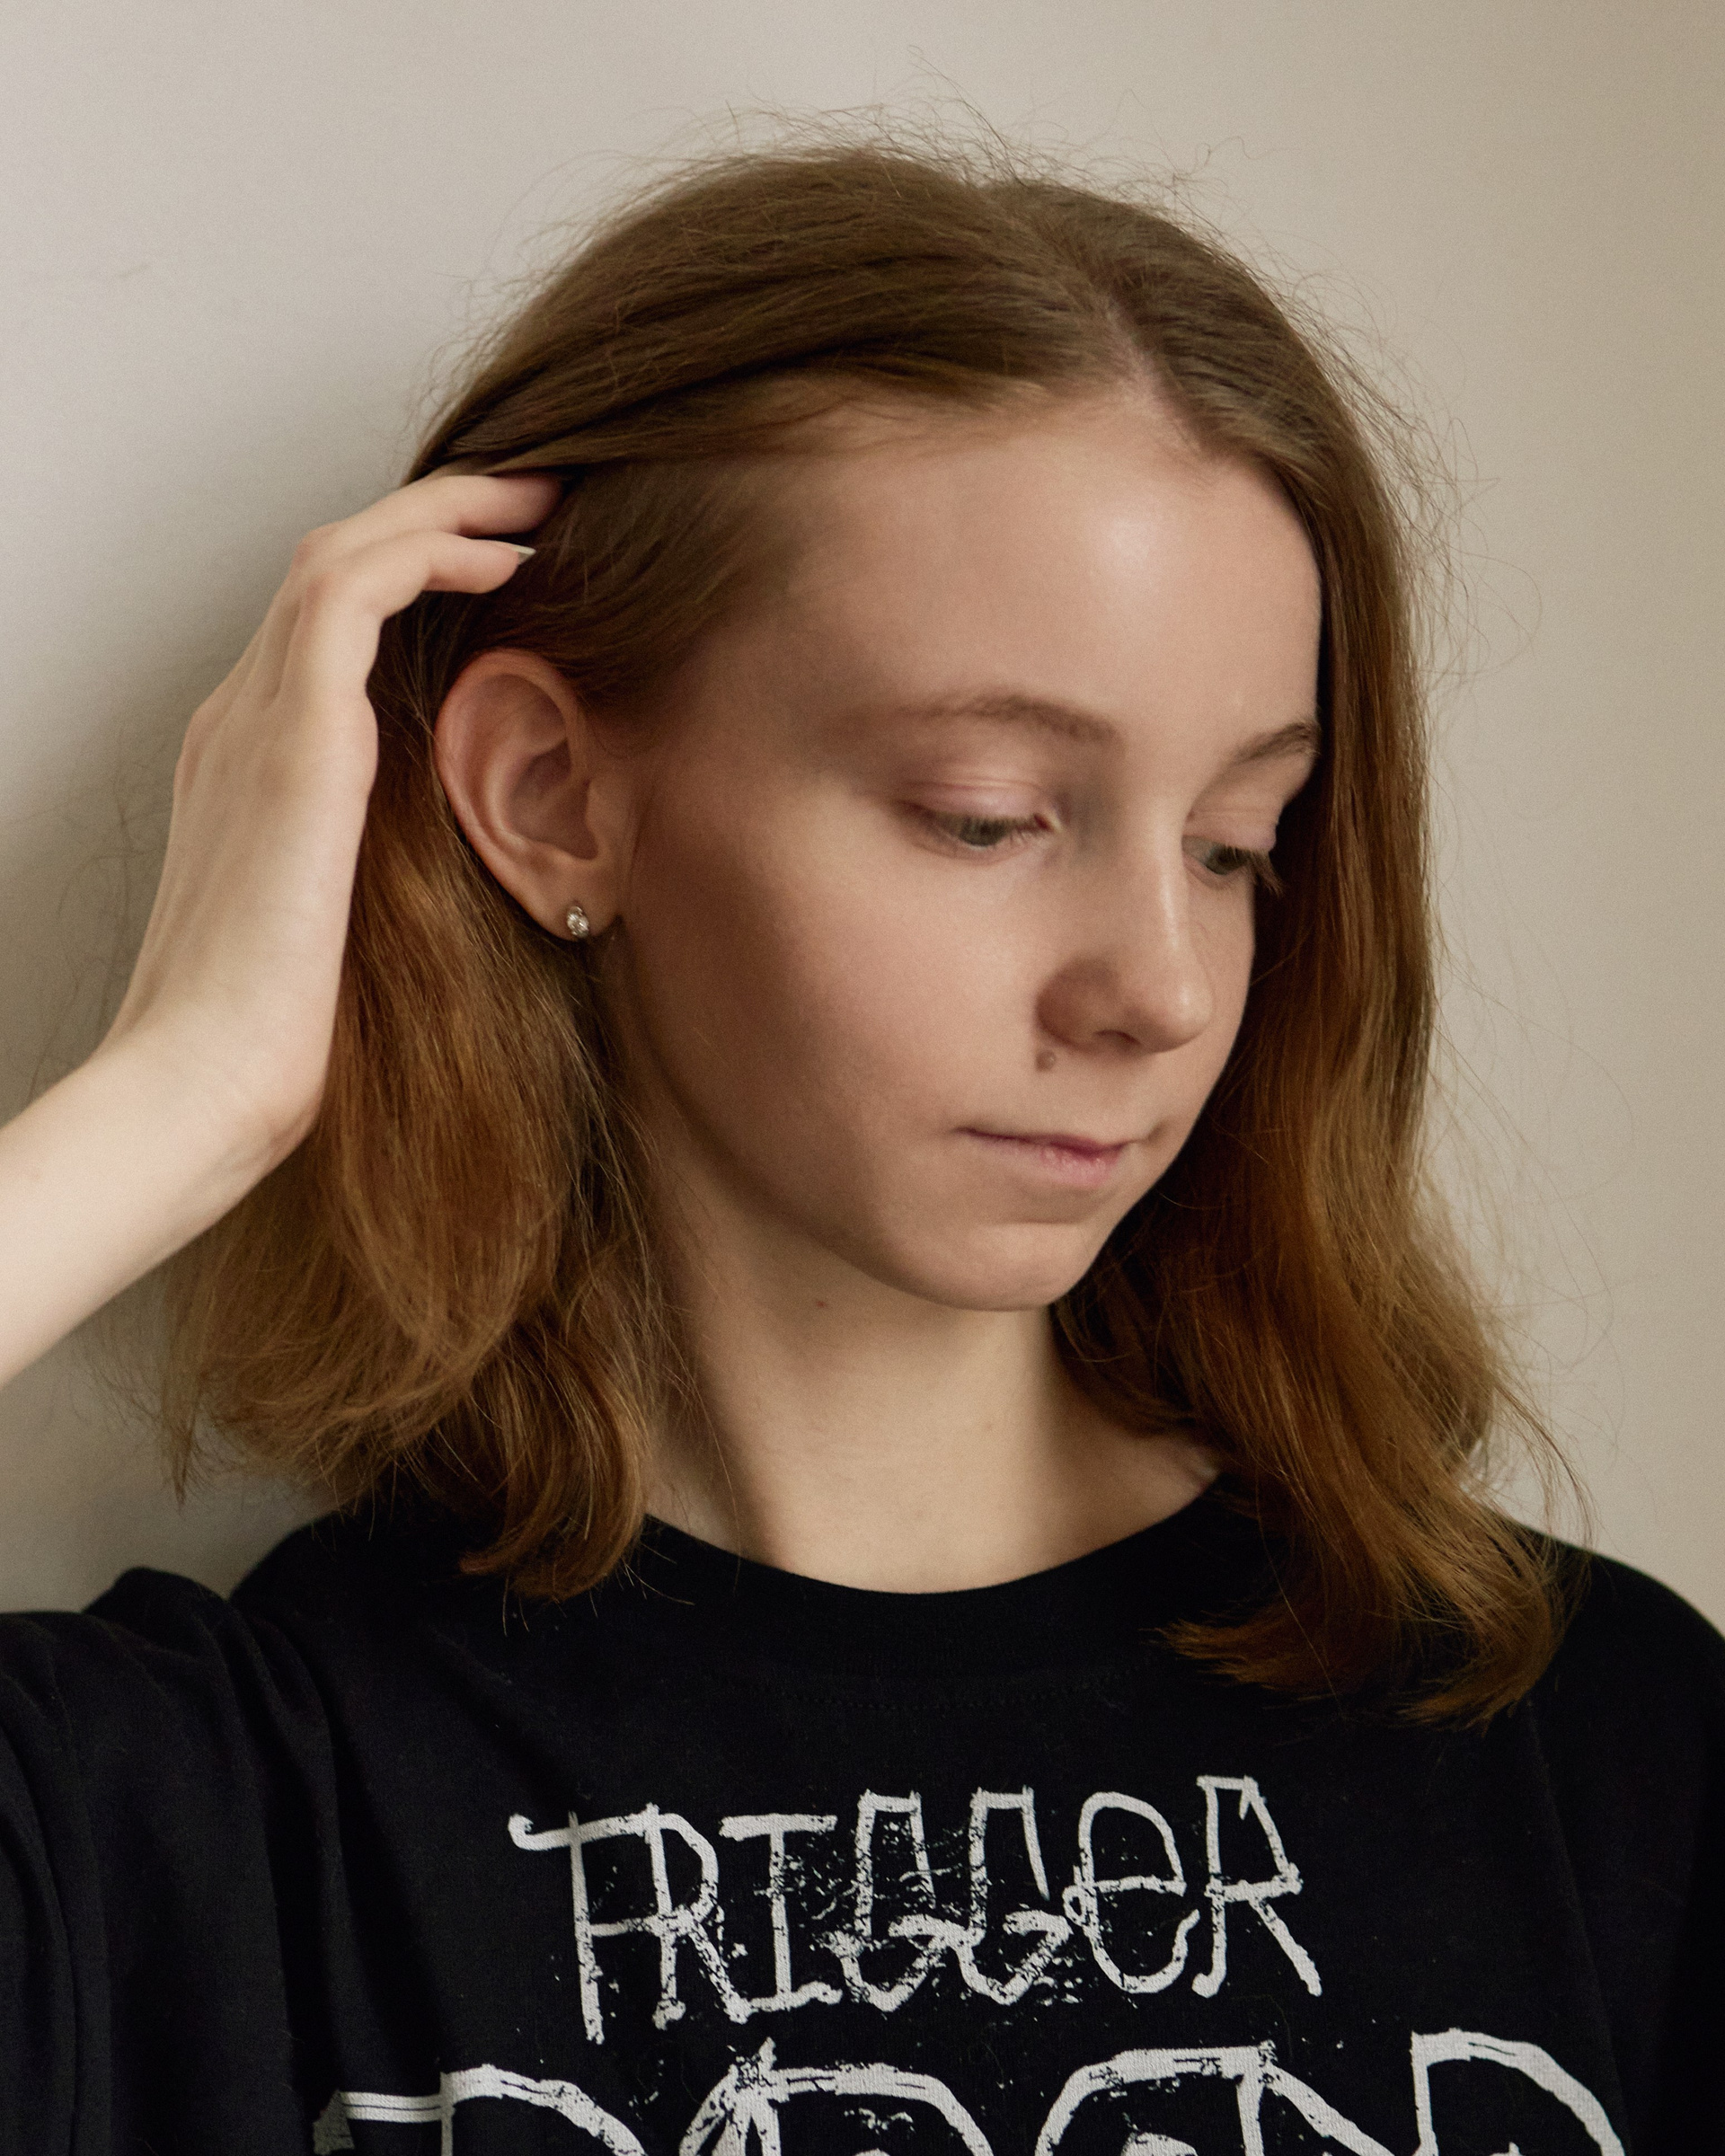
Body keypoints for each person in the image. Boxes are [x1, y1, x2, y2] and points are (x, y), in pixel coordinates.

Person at [0, 138, 1717, 2156]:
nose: (1164, 988)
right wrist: (186, 1094)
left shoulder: (1591, 1745)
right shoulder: (210, 1822)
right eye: (989, 817)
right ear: (550, 793)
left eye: (1236, 843)